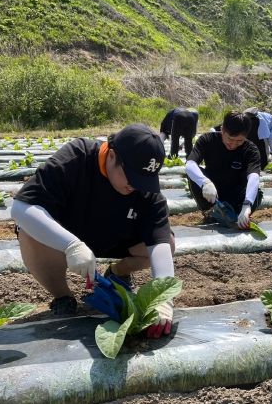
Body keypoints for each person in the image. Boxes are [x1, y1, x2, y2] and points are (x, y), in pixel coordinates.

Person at [11, 124, 175, 338]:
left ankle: (118, 272)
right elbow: (21, 208)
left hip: (115, 238)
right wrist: (71, 245)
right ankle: (63, 296)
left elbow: (160, 244)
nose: (136, 186)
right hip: (68, 236)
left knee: (169, 242)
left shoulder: (144, 187)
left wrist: (163, 298)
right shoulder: (76, 157)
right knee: (29, 231)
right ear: (112, 156)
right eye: (131, 177)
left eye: (144, 180)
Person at [185, 111, 263, 229]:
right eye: (230, 139)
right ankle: (209, 212)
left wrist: (247, 205)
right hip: (213, 193)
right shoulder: (207, 140)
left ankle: (241, 214)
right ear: (222, 130)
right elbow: (190, 164)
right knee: (194, 173)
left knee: (257, 192)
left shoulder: (250, 149)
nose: (233, 144)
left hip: (236, 194)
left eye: (239, 141)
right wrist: (205, 182)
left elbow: (254, 176)